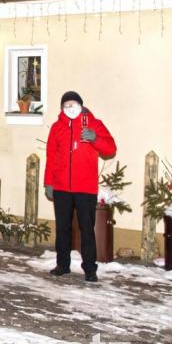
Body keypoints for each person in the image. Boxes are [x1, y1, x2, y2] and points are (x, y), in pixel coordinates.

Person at [44, 91, 116, 282]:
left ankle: (90, 269)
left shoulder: (94, 124)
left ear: (81, 105)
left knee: (86, 228)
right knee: (63, 228)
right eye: (66, 105)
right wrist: (48, 183)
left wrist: (95, 139)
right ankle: (62, 265)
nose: (70, 108)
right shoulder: (57, 127)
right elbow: (51, 156)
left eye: (73, 104)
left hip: (85, 188)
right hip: (61, 188)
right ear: (62, 108)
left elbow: (110, 148)